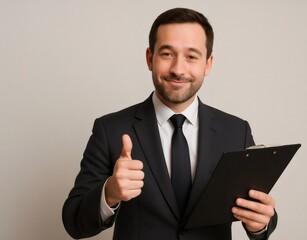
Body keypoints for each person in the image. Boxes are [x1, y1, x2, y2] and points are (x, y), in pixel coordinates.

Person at [62, 7, 277, 240]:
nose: (178, 69)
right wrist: (110, 193)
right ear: (149, 58)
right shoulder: (110, 130)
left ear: (208, 64)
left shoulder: (236, 131)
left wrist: (260, 224)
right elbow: (74, 222)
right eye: (167, 54)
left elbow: (260, 209)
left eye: (192, 57)